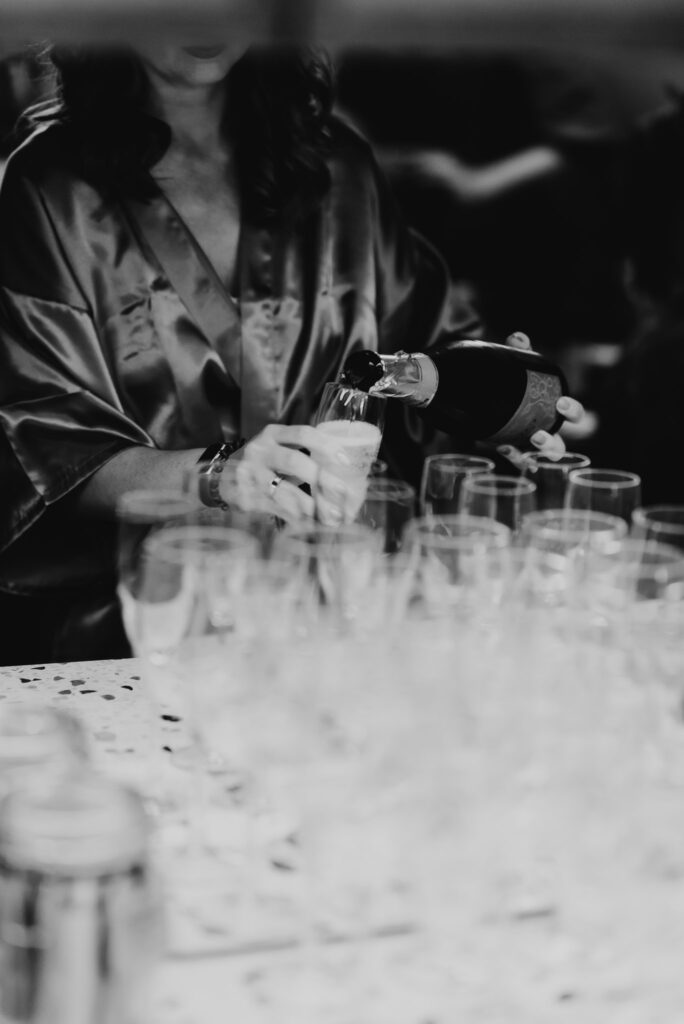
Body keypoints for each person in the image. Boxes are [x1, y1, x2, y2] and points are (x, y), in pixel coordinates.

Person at [0, 41, 582, 664]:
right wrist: (223, 473)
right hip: (147, 623)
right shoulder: (51, 187)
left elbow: (418, 358)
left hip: (339, 613)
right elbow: (44, 445)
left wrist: (497, 424)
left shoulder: (337, 163)